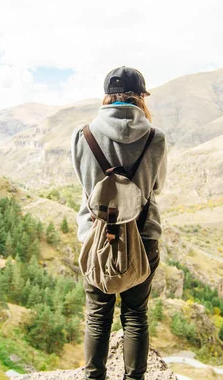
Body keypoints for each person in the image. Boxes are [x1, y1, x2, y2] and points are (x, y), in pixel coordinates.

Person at [71, 66, 167, 380]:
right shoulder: (155, 137)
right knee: (136, 315)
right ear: (140, 97)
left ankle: (94, 377)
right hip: (143, 236)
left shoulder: (83, 135)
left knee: (98, 316)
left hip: (96, 237)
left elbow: (86, 187)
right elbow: (157, 188)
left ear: (107, 96)